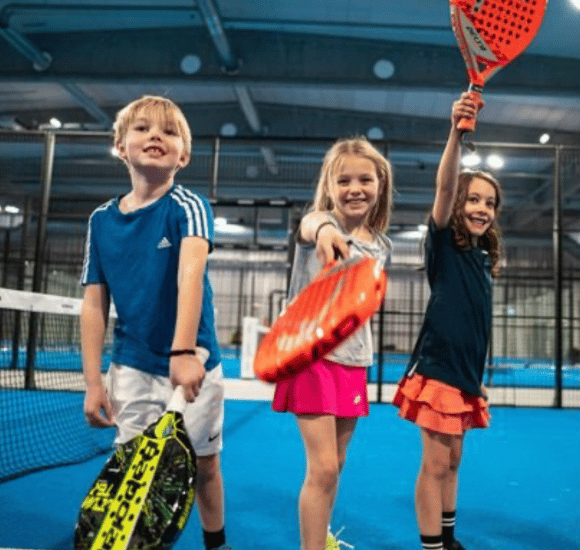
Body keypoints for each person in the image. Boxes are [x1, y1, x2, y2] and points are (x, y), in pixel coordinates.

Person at [80, 95, 232, 550]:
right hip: (131, 366)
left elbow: (191, 275)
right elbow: (93, 303)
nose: (155, 136)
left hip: (195, 363)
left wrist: (183, 353)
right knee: (133, 471)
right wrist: (93, 383)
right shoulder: (100, 221)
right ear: (120, 146)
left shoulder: (188, 205)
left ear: (183, 156)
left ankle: (216, 543)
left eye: (168, 131)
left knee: (204, 465)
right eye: (142, 128)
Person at [272, 137, 393, 550]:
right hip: (311, 359)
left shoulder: (381, 245)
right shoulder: (320, 224)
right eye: (344, 181)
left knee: (336, 465)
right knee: (322, 468)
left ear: (380, 184)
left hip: (354, 361)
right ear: (329, 186)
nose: (354, 188)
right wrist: (324, 229)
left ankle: (320, 536)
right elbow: (311, 224)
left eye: (365, 179)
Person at [393, 92, 502, 550]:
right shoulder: (444, 246)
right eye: (472, 199)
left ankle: (448, 537)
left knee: (454, 461)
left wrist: (477, 380)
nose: (482, 208)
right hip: (437, 372)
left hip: (465, 377)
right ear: (456, 204)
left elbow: (476, 330)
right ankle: (431, 545)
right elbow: (442, 187)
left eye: (490, 203)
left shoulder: (483, 258)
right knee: (435, 464)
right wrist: (456, 134)